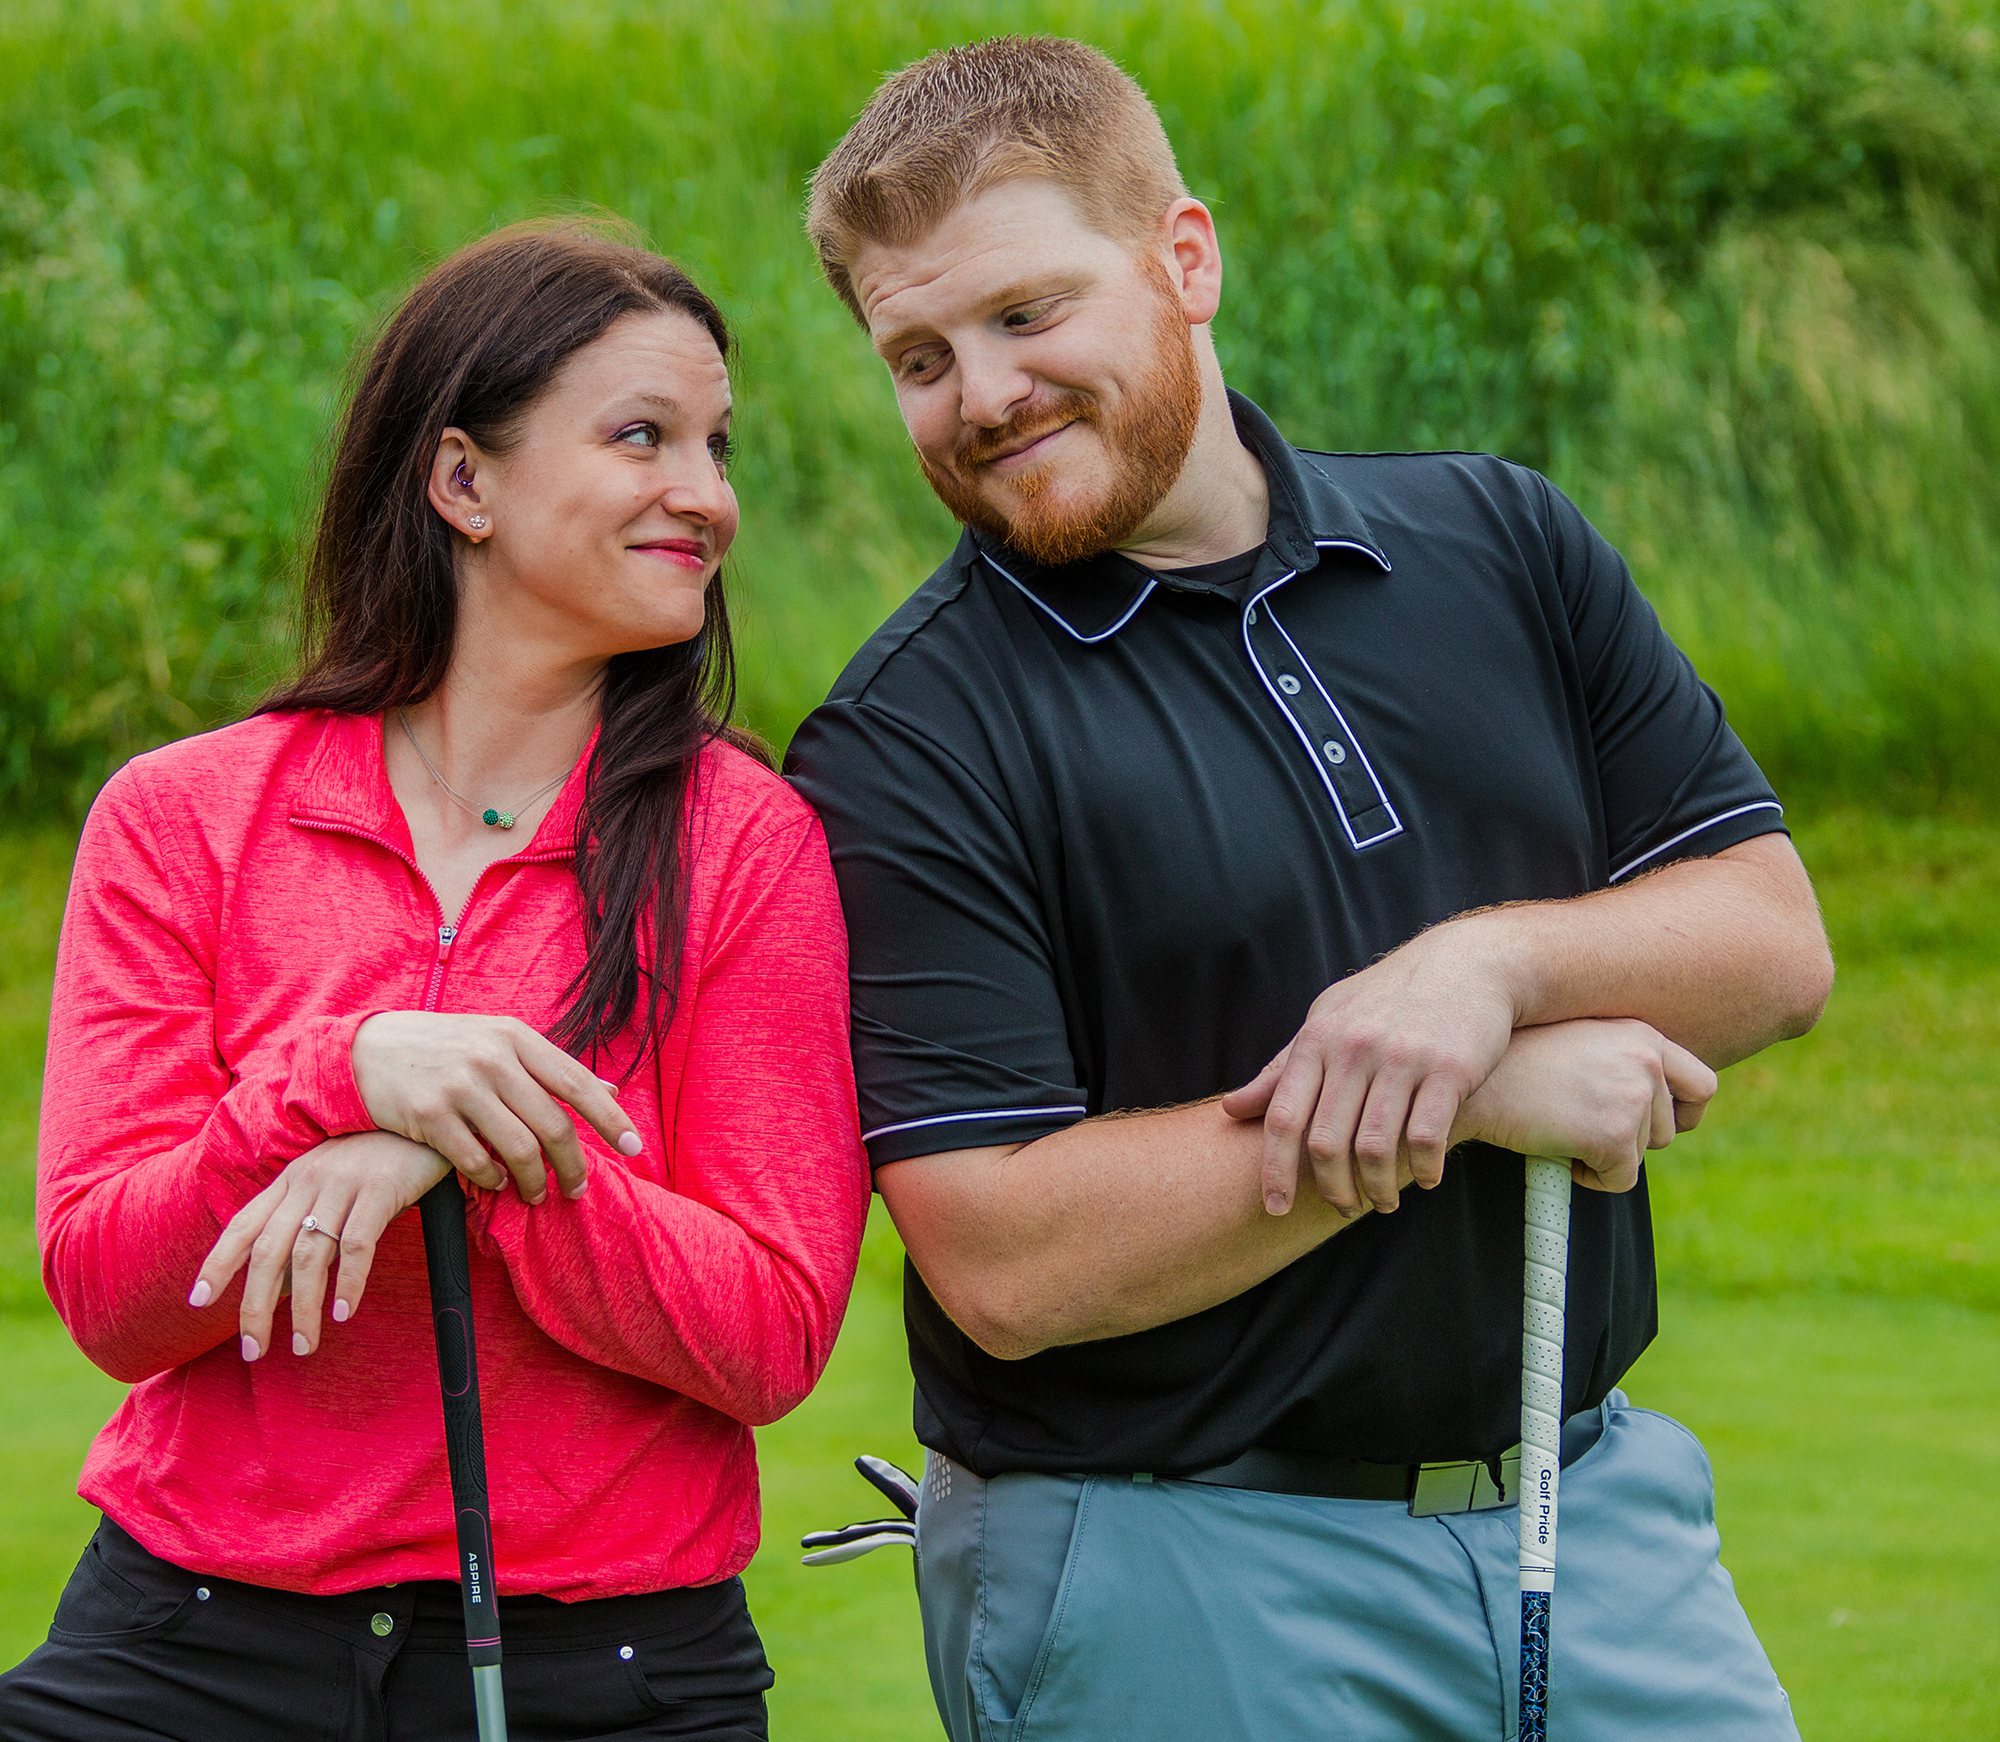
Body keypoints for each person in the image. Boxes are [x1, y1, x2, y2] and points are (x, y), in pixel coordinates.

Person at [785, 36, 1833, 1742]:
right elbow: (1007, 1256)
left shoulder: (1500, 539)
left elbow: (1772, 939)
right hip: (1174, 1558)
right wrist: (1465, 1096)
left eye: (1027, 315)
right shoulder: (908, 738)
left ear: (1182, 259)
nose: (978, 393)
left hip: (1598, 1506)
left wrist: (1482, 971)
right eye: (917, 354)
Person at [6, 220, 870, 1742]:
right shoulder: (183, 816)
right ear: (463, 481)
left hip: (605, 1675)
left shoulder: (749, 844)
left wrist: (466, 1132)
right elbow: (110, 1292)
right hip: (182, 1645)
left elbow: (774, 1326)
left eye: (718, 445)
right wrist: (342, 1072)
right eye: (642, 436)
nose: (711, 495)